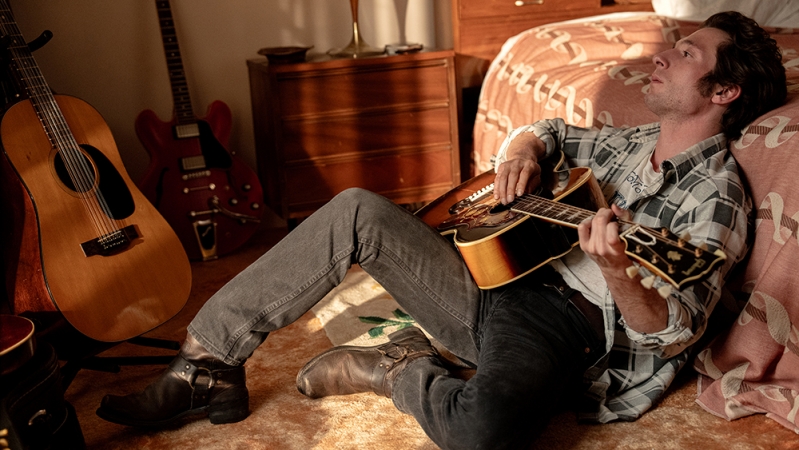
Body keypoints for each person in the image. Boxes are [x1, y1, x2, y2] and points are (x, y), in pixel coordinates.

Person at [96, 11, 786, 449]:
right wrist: (521, 152)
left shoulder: (716, 197)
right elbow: (546, 129)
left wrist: (614, 269)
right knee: (357, 207)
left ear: (723, 92)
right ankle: (205, 364)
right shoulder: (625, 143)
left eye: (686, 53)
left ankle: (398, 367)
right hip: (496, 276)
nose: (661, 56)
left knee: (483, 429)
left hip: (561, 326)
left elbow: (671, 332)